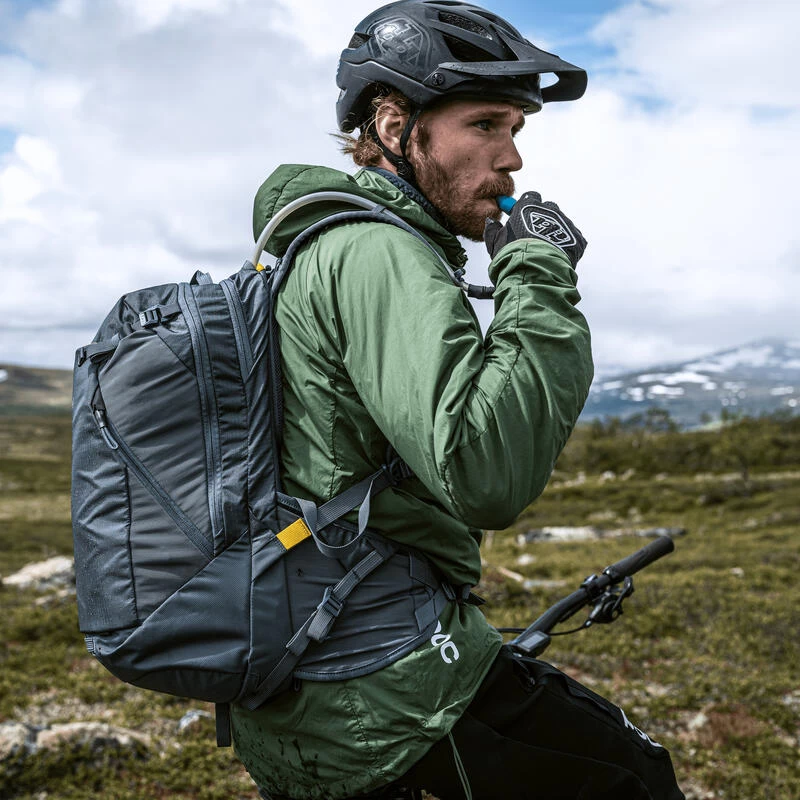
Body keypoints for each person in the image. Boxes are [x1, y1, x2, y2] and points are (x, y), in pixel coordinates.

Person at [231, 2, 685, 798]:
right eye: (483, 125)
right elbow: (485, 474)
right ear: (394, 124)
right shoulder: (376, 252)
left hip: (329, 654)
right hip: (377, 691)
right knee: (630, 777)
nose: (512, 157)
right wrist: (536, 270)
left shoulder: (318, 242)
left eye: (516, 128)